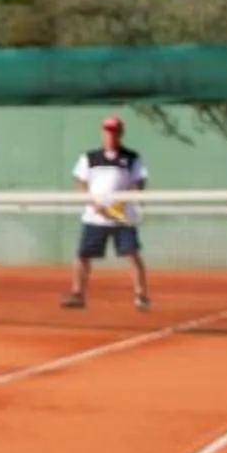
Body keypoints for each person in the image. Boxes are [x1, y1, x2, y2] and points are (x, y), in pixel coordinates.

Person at [65, 113, 151, 311]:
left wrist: (127, 202)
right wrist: (93, 203)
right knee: (82, 255)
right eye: (108, 131)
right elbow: (80, 182)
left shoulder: (131, 158)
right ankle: (77, 293)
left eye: (114, 132)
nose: (111, 136)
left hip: (122, 218)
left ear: (121, 133)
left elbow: (139, 182)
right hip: (94, 218)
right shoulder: (89, 158)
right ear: (103, 133)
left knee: (132, 255)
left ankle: (141, 295)